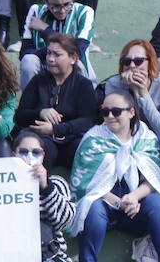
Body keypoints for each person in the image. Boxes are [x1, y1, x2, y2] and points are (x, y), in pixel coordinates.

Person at [70, 89, 160, 262]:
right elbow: (86, 185)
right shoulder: (93, 140)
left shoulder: (146, 137)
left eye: (116, 111)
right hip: (107, 204)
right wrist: (120, 202)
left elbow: (153, 180)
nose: (110, 116)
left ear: (131, 112)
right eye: (105, 112)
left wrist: (135, 197)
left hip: (136, 207)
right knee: (91, 206)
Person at [11, 129, 74, 262]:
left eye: (36, 152)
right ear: (13, 154)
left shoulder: (57, 183)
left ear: (43, 156)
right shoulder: (1, 185)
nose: (30, 156)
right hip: (15, 259)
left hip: (53, 259)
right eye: (24, 151)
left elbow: (64, 221)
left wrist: (45, 187)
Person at [99, 40, 160, 192]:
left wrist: (143, 93)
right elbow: (115, 125)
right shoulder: (114, 84)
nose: (132, 66)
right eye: (127, 61)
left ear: (150, 63)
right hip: (128, 138)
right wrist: (129, 91)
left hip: (157, 138)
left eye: (138, 61)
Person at [14, 32, 97, 168]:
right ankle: (42, 188)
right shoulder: (38, 80)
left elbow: (88, 120)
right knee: (41, 149)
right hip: (41, 138)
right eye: (48, 53)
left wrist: (56, 129)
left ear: (73, 58)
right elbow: (20, 116)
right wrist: (40, 113)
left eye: (57, 55)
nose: (50, 59)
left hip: (71, 138)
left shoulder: (83, 84)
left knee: (82, 150)